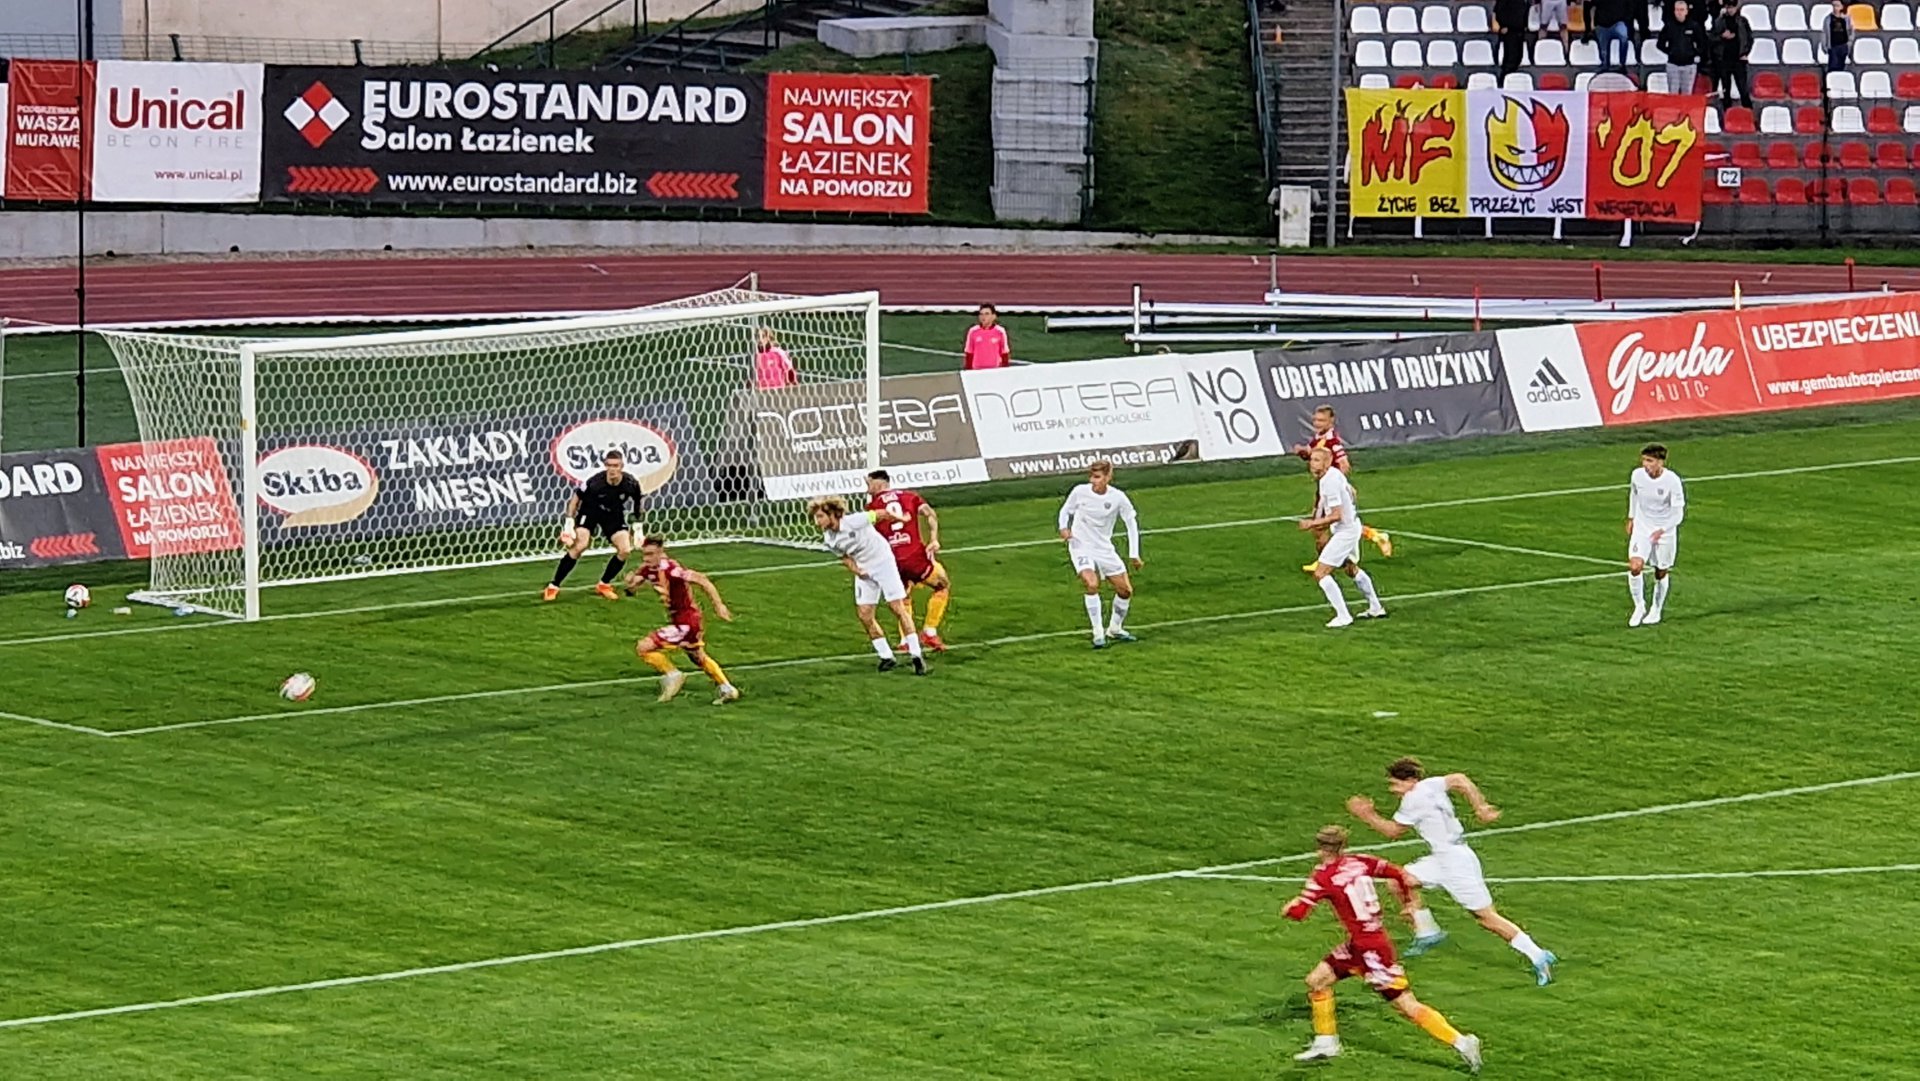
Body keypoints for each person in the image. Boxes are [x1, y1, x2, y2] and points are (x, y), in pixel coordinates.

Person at [1283, 826, 1484, 1072]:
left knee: (1406, 1004)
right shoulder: (1361, 861)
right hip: (1365, 942)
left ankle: (1462, 1042)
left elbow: (1298, 912)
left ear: (1320, 848)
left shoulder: (1323, 876)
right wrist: (1409, 903)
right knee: (1317, 980)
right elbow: (1399, 873)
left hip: (1370, 952)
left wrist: (1290, 907)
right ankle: (1326, 1043)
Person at [1346, 757, 1558, 986]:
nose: (1393, 790)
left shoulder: (1413, 799)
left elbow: (1393, 831)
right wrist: (1480, 806)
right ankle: (1427, 932)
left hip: (1455, 864)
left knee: (1487, 918)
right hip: (1444, 856)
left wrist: (1366, 815)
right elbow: (1459, 779)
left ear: (1410, 781)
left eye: (1395, 784)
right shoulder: (1431, 785)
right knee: (1399, 880)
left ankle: (1538, 955)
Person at [810, 496, 928, 675]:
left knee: (897, 607)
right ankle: (886, 656)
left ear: (832, 514)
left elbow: (881, 514)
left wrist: (902, 519)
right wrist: (857, 571)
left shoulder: (854, 521)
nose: (817, 521)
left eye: (820, 516)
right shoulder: (829, 538)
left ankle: (916, 655)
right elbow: (844, 557)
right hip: (865, 569)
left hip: (883, 562)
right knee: (865, 614)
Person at [625, 537, 738, 704]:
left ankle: (673, 675)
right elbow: (633, 587)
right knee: (697, 657)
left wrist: (719, 606)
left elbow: (702, 580)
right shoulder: (648, 568)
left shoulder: (672, 570)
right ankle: (727, 689)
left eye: (650, 554)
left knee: (644, 647)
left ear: (661, 553)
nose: (646, 558)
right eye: (644, 554)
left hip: (687, 622)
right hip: (682, 620)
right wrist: (629, 585)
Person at [1291, 404, 1391, 572]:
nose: (1317, 423)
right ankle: (1375, 536)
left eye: (1321, 420)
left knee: (1321, 527)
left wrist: (1342, 484)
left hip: (1330, 489)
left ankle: (1324, 563)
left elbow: (1344, 464)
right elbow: (1310, 453)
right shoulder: (1319, 438)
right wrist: (1301, 451)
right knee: (1339, 525)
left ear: (1331, 422)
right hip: (1323, 488)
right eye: (1315, 420)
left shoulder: (1333, 442)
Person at [1057, 460, 1142, 649]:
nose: (1093, 481)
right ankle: (1098, 633)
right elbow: (1065, 510)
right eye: (1092, 476)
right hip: (1080, 545)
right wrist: (1063, 528)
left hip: (1103, 548)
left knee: (1125, 591)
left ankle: (1115, 628)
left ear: (1108, 477)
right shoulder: (1080, 492)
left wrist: (1134, 554)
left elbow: (1131, 523)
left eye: (1097, 477)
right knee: (1092, 583)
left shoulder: (1118, 498)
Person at [865, 469, 952, 653]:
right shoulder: (910, 497)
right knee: (942, 585)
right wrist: (934, 539)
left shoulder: (872, 507)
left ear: (879, 483)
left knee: (903, 597)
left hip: (891, 561)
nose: (867, 489)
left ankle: (906, 640)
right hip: (914, 557)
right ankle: (929, 632)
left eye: (869, 484)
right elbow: (929, 513)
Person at [1299, 447, 1387, 628]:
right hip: (1351, 526)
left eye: (1316, 460)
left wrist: (1312, 523)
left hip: (1345, 532)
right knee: (1350, 568)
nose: (1312, 464)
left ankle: (1343, 615)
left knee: (1320, 573)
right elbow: (1352, 492)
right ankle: (1376, 607)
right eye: (1312, 460)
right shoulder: (1334, 474)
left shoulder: (1329, 482)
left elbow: (1336, 515)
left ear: (1327, 462)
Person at [546, 449, 644, 602]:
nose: (612, 469)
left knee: (625, 549)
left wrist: (638, 528)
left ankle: (604, 584)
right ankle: (553, 586)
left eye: (616, 465)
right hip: (590, 512)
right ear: (605, 465)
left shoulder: (631, 483)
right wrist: (569, 524)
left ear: (622, 466)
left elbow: (638, 504)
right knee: (580, 545)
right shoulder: (595, 483)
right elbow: (575, 499)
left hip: (613, 514)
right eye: (609, 465)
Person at [1626, 442, 1685, 627]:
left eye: (1650, 461)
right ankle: (1639, 606)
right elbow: (1634, 494)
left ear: (1660, 462)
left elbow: (1678, 513)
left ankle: (1656, 609)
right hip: (1643, 527)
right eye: (1644, 460)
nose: (1645, 465)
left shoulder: (1672, 481)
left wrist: (1663, 529)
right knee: (1635, 566)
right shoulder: (1637, 475)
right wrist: (1631, 517)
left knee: (1660, 571)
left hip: (1664, 531)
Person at [1658, 1, 1709, 95]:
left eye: (1682, 10)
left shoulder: (1694, 26)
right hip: (1673, 65)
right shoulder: (1669, 26)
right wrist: (1670, 51)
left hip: (1689, 65)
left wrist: (1694, 53)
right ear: (1674, 11)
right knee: (1673, 94)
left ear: (1686, 11)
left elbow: (1702, 44)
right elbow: (1660, 43)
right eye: (1677, 10)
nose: (1679, 12)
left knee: (1687, 95)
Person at [1711, 0, 1755, 107]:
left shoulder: (1743, 21)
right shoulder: (1719, 21)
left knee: (1743, 88)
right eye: (1728, 7)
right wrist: (1722, 36)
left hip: (1739, 59)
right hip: (1724, 59)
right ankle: (1727, 112)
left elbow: (1749, 39)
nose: (1730, 10)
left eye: (1732, 7)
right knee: (1726, 89)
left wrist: (1745, 53)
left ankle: (1748, 112)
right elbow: (1712, 39)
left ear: (1736, 7)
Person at [1585, 0, 1634, 71]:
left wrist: (1626, 19)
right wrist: (1592, 25)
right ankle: (1605, 64)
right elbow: (1590, 5)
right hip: (1602, 24)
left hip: (1618, 22)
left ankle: (1622, 64)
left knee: (1624, 36)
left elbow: (1630, 8)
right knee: (1603, 46)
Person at [963, 304, 1011, 370]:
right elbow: (969, 352)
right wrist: (968, 370)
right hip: (977, 370)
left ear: (993, 316)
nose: (983, 317)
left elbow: (1004, 353)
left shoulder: (1000, 331)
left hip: (994, 370)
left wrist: (1004, 370)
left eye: (987, 314)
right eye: (981, 314)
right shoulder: (973, 331)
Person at [1494, 0, 1533, 79]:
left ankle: (1512, 77)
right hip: (1509, 30)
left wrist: (1525, 24)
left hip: (1520, 29)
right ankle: (1504, 79)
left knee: (1518, 56)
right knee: (1510, 57)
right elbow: (1499, 10)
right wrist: (1503, 25)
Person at [1824, 0, 1852, 73]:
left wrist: (1849, 43)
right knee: (1833, 67)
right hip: (1833, 46)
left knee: (1842, 67)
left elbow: (1850, 31)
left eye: (1837, 6)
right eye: (1834, 6)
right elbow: (1825, 32)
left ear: (1842, 7)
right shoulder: (1828, 19)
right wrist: (1825, 46)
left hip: (1844, 46)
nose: (1835, 8)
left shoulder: (1846, 19)